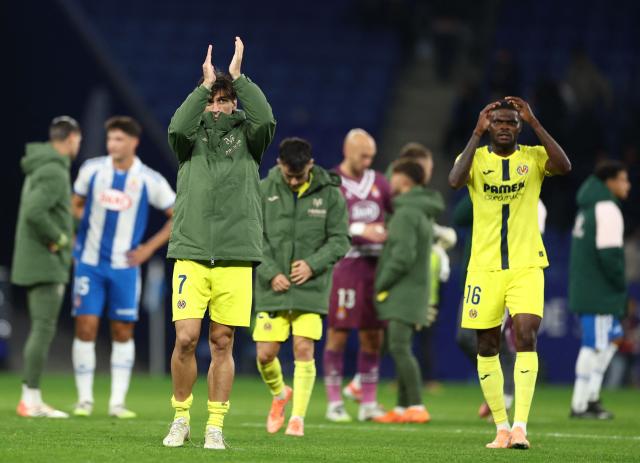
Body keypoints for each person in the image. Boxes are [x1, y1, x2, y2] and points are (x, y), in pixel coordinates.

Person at [162, 37, 276, 450]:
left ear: (234, 103)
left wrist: (239, 78)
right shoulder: (187, 141)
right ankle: (180, 418)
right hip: (191, 252)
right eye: (212, 100)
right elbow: (175, 125)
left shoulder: (250, 139)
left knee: (222, 340)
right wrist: (203, 85)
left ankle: (215, 425)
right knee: (186, 339)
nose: (217, 106)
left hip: (235, 254)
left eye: (224, 100)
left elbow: (266, 119)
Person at [448, 97, 571, 449]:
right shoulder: (475, 158)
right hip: (483, 267)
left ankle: (520, 427)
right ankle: (501, 427)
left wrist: (535, 121)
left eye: (511, 122)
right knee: (486, 344)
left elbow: (564, 165)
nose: (504, 127)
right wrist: (475, 133)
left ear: (518, 127)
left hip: (526, 264)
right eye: (497, 122)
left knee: (526, 333)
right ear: (489, 126)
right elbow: (455, 181)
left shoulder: (532, 157)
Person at [70, 116, 175, 418]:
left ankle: (117, 402)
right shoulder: (92, 170)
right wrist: (79, 236)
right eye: (110, 139)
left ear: (133, 142)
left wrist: (147, 250)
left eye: (118, 140)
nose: (112, 145)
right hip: (89, 264)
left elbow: (175, 213)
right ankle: (84, 400)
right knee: (86, 327)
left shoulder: (148, 179)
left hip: (125, 267)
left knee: (122, 330)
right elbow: (75, 203)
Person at [254, 137, 349, 437]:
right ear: (279, 165)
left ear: (311, 165)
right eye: (289, 175)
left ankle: (298, 419)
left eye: (300, 175)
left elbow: (340, 239)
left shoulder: (331, 193)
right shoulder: (262, 189)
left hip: (311, 286)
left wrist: (313, 264)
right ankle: (281, 394)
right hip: (273, 287)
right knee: (265, 355)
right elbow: (251, 235)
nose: (294, 181)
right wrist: (269, 272)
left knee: (303, 348)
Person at [12, 116, 82, 418]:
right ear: (69, 139)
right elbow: (34, 211)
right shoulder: (54, 170)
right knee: (42, 329)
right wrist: (61, 238)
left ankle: (32, 397)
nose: (78, 145)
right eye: (78, 140)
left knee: (40, 329)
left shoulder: (43, 164)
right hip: (44, 261)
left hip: (33, 258)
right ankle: (30, 399)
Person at [323, 129, 392, 422]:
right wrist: (362, 230)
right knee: (338, 335)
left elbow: (396, 214)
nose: (368, 161)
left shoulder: (379, 182)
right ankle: (335, 402)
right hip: (346, 268)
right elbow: (324, 224)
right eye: (363, 155)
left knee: (373, 337)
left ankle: (368, 402)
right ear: (347, 151)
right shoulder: (331, 182)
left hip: (376, 268)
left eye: (371, 156)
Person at [373, 160, 444, 424]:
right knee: (401, 347)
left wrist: (381, 283)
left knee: (399, 347)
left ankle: (416, 404)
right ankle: (403, 407)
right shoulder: (421, 210)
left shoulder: (405, 213)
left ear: (403, 181)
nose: (389, 182)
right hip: (415, 289)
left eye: (393, 177)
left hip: (403, 290)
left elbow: (402, 256)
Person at [569, 161, 630, 419]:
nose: (627, 185)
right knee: (594, 345)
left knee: (612, 339)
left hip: (587, 285)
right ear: (610, 182)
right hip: (599, 290)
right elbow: (609, 255)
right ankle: (580, 404)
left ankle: (591, 397)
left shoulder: (588, 206)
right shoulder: (607, 208)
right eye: (623, 179)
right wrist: (620, 285)